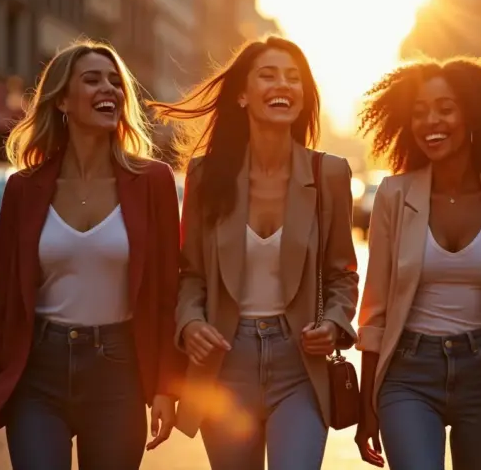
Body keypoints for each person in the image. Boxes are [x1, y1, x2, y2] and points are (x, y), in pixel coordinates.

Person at [0, 40, 186, 470]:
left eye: (116, 82)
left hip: (118, 371)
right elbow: (3, 305)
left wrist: (166, 387)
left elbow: (166, 296)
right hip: (37, 374)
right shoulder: (23, 188)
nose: (110, 89)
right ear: (62, 99)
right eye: (93, 80)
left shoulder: (152, 182)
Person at [147, 36, 359, 470]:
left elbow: (342, 274)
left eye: (293, 78)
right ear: (242, 94)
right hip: (226, 364)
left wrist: (334, 324)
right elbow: (192, 276)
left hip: (300, 363)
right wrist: (190, 323)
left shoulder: (328, 173)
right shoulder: (207, 175)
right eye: (268, 75)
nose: (283, 84)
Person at [354, 56, 481, 470]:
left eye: (445, 108)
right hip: (408, 373)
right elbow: (374, 311)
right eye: (420, 112)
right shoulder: (394, 195)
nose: (432, 121)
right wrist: (365, 404)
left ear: (472, 115)